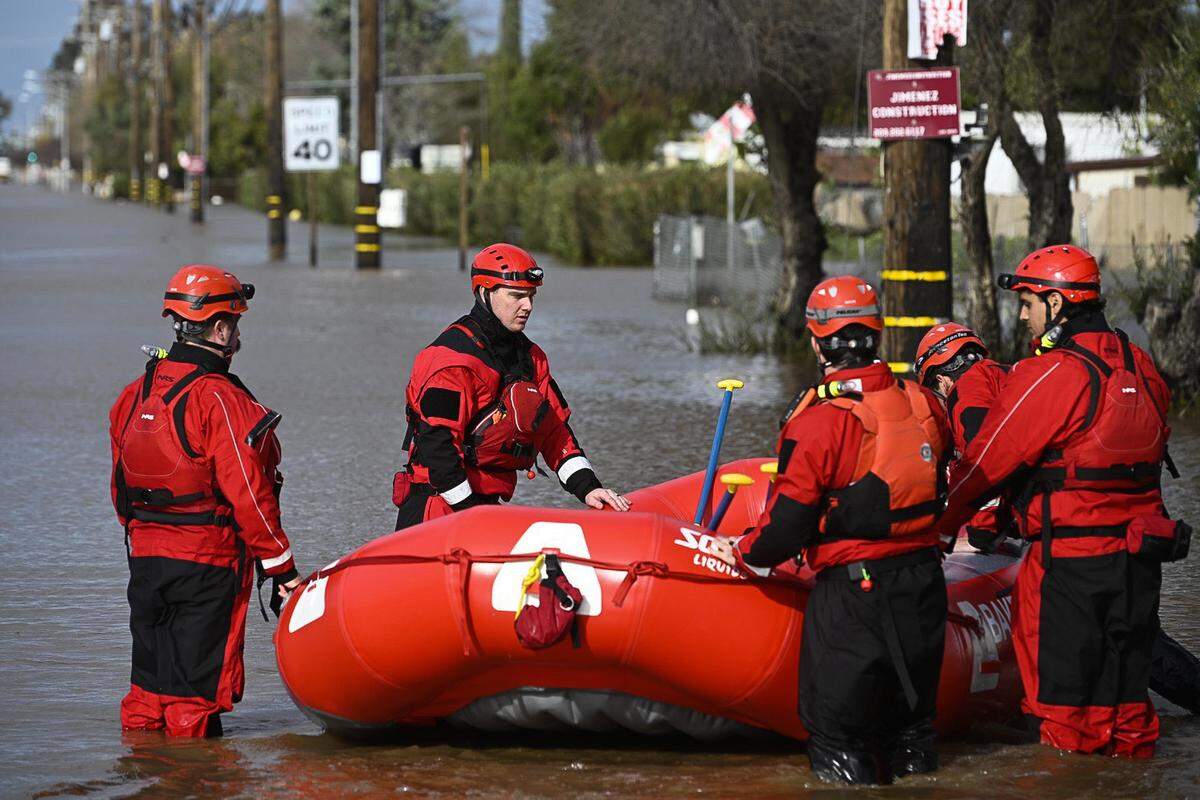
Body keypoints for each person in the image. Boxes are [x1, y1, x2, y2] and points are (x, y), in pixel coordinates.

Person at [935, 244, 1184, 757]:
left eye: (1028, 302)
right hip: (1140, 565)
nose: (1023, 315)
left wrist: (939, 529)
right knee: (1130, 716)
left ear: (1056, 303)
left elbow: (984, 465)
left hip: (1071, 569)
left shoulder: (1050, 372)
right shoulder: (1140, 366)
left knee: (1064, 721)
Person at [714, 276, 952, 785]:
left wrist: (740, 550)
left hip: (856, 597)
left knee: (840, 740)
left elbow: (785, 529)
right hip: (925, 588)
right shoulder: (925, 404)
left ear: (819, 339)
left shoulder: (821, 422)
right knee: (912, 734)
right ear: (876, 333)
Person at [109, 265, 301, 738]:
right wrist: (283, 570)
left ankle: (141, 771)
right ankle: (196, 779)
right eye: (235, 327)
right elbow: (250, 496)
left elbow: (120, 488)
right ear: (220, 328)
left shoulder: (134, 396)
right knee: (194, 701)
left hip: (147, 560)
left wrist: (145, 537)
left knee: (147, 693)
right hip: (207, 564)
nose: (237, 340)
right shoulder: (217, 398)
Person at [393, 244, 630, 529]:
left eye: (531, 296)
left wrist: (589, 488)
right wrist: (471, 514)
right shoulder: (451, 362)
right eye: (517, 296)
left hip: (486, 510)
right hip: (437, 512)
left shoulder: (531, 359)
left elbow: (555, 434)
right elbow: (438, 449)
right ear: (484, 293)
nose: (527, 306)